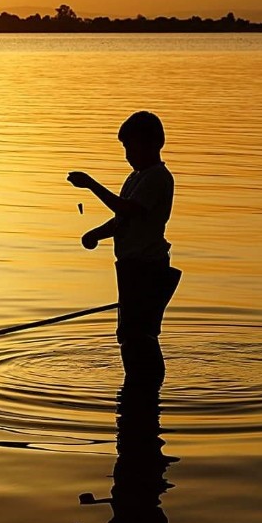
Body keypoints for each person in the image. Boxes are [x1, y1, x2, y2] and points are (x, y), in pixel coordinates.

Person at [67, 111, 181, 383]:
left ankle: (148, 384)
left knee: (141, 333)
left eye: (131, 146)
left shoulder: (157, 178)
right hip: (130, 266)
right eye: (125, 148)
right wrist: (96, 234)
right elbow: (122, 219)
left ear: (152, 144)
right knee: (129, 333)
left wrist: (91, 184)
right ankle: (138, 386)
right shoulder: (135, 178)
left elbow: (127, 210)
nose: (127, 154)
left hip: (148, 267)